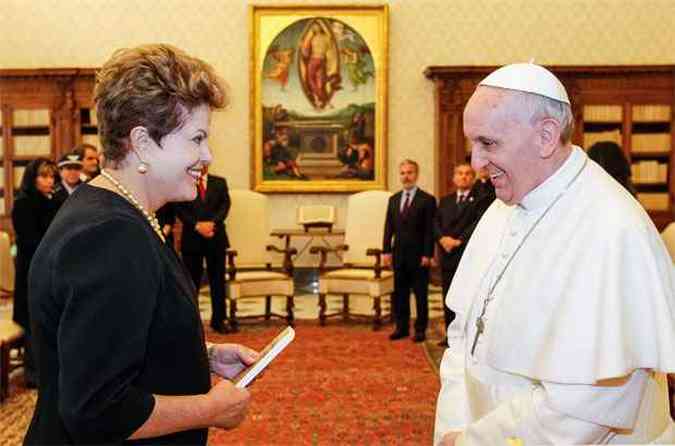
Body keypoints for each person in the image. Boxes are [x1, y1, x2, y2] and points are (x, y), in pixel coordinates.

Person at [25, 44, 258, 444]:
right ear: (143, 142)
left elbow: (105, 343)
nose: (208, 155)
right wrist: (212, 409)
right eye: (197, 138)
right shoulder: (109, 235)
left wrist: (201, 355)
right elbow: (96, 409)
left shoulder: (113, 211)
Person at [434, 63, 675, 445]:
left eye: (488, 143)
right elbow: (464, 335)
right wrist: (452, 427)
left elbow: (586, 407)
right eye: (472, 144)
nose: (476, 163)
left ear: (546, 135)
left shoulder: (613, 228)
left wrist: (473, 441)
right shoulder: (502, 209)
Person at [11, 158, 62, 388]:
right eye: (43, 176)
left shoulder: (54, 201)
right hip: (32, 268)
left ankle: (47, 371)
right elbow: (30, 240)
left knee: (49, 318)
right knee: (33, 319)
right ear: (32, 179)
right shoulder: (23, 203)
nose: (49, 180)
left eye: (52, 176)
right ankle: (33, 374)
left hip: (52, 267)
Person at [383, 159, 436, 343]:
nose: (406, 176)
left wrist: (428, 254)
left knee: (420, 294)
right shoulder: (393, 199)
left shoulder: (427, 200)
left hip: (419, 255)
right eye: (403, 173)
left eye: (410, 172)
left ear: (416, 175)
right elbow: (388, 228)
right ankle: (402, 327)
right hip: (398, 255)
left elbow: (430, 230)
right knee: (400, 294)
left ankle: (420, 329)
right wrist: (386, 251)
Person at [432, 163, 486, 348]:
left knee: (465, 297)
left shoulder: (479, 200)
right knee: (448, 296)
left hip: (465, 255)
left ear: (473, 178)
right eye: (460, 174)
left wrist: (459, 241)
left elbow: (477, 224)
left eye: (467, 174)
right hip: (446, 255)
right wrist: (442, 238)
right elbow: (435, 223)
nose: (463, 177)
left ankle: (465, 337)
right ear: (454, 178)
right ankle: (449, 336)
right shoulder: (445, 200)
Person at [176, 165, 231, 334]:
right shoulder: (185, 181)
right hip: (192, 239)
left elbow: (225, 205)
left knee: (218, 282)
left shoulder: (219, 182)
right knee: (191, 283)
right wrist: (197, 225)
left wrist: (212, 223)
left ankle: (219, 320)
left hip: (216, 237)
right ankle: (191, 323)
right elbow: (179, 208)